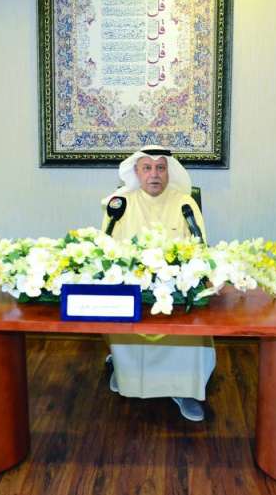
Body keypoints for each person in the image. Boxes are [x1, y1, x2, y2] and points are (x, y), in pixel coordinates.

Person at [101, 145, 213, 422]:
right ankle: (125, 374)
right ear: (137, 172)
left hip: (175, 288)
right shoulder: (120, 202)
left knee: (191, 317)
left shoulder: (185, 203)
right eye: (147, 168)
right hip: (132, 285)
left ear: (169, 172)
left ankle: (185, 389)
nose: (154, 174)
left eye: (161, 168)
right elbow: (105, 248)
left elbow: (200, 248)